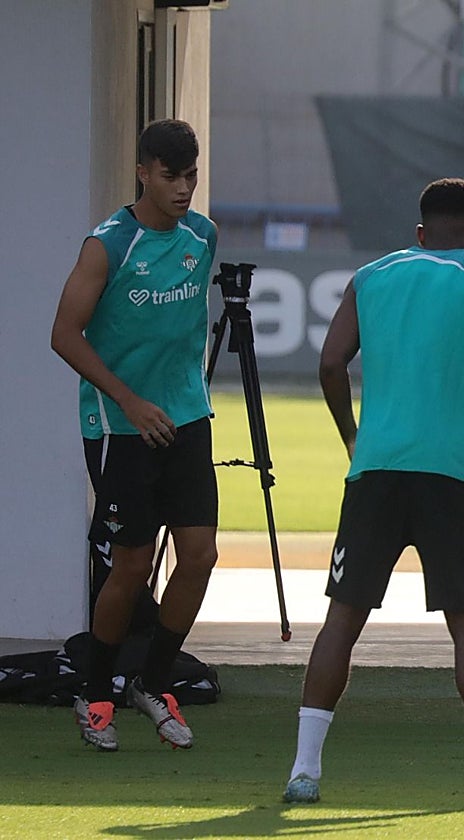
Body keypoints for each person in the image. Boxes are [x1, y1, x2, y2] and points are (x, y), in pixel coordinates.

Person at [282, 178, 464, 810]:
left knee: (342, 618)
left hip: (375, 472)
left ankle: (304, 772)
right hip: (449, 477)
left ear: (421, 232)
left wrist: (353, 436)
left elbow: (330, 363)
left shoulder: (370, 277)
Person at [50, 119, 220, 752]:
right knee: (132, 564)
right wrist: (130, 399)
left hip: (187, 419)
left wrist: (175, 397)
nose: (183, 189)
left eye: (191, 176)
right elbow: (64, 335)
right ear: (143, 173)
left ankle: (153, 683)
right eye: (171, 176)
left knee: (199, 556)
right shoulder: (107, 246)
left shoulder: (202, 235)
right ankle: (95, 695)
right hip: (119, 425)